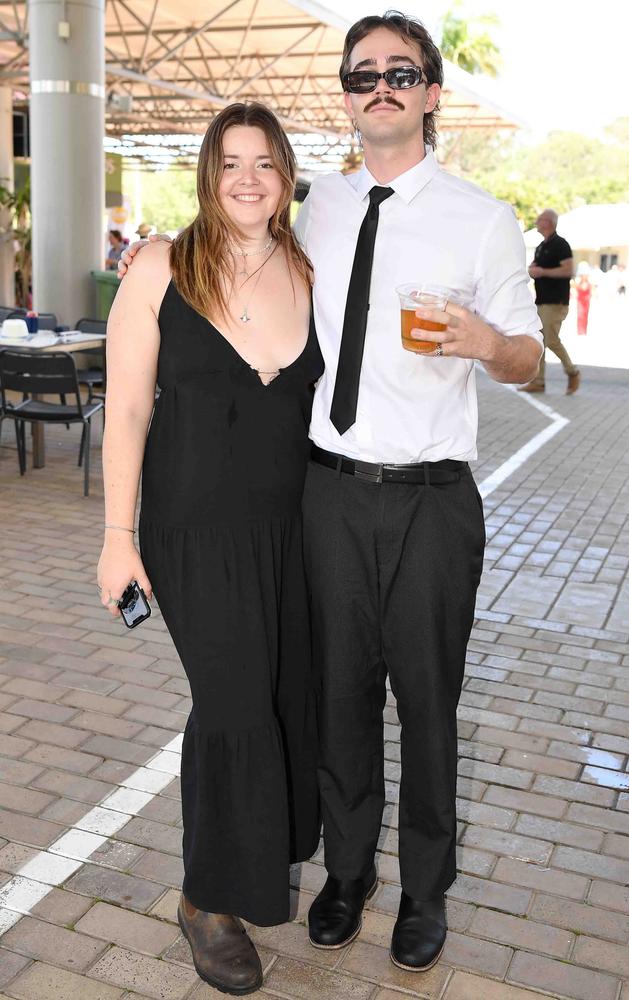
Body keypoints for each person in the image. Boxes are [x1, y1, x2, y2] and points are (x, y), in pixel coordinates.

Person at [119, 10, 543, 975]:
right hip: (324, 498)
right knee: (337, 700)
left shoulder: (482, 217)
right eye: (363, 75)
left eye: (401, 71)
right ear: (347, 98)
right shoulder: (320, 211)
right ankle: (348, 875)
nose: (380, 86)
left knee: (428, 705)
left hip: (432, 497)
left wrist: (486, 344)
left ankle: (424, 891)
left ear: (432, 92)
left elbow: (524, 357)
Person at [98, 102, 322, 996]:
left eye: (264, 162)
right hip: (192, 533)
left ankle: (267, 855)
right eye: (230, 162)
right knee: (231, 707)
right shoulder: (159, 266)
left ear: (286, 174)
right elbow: (125, 410)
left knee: (278, 697)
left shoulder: (308, 269)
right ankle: (207, 899)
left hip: (293, 532)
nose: (247, 179)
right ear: (206, 171)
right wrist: (117, 538)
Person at [520, 208, 580, 394]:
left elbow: (568, 270)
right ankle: (538, 381)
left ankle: (572, 371)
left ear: (549, 222)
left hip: (556, 302)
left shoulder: (560, 245)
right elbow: (537, 269)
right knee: (540, 340)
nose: (537, 222)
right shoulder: (541, 246)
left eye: (540, 219)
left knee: (551, 340)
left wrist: (543, 272)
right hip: (542, 300)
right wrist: (533, 270)